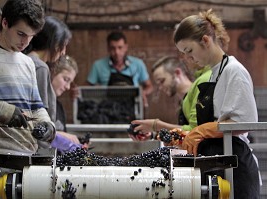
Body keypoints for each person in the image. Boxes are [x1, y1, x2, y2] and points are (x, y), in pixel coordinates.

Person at [0, 0, 55, 198]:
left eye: (31, 37)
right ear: (5, 23)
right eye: (21, 34)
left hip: (28, 162)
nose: (25, 43)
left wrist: (47, 124)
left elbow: (36, 106)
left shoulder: (27, 63)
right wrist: (0, 110)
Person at [173, 9, 260, 198]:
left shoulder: (234, 71)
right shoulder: (215, 73)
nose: (188, 58)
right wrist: (187, 134)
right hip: (217, 164)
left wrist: (201, 131)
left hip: (235, 168)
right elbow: (217, 119)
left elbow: (244, 122)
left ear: (205, 40)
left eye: (189, 51)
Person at [24, 16, 83, 151]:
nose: (63, 52)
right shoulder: (39, 67)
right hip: (35, 149)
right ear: (55, 43)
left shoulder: (26, 61)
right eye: (64, 45)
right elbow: (39, 120)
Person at [129, 56, 211, 142]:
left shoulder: (199, 90)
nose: (160, 87)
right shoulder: (183, 101)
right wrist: (154, 135)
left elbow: (195, 131)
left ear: (177, 73)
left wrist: (156, 125)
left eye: (162, 81)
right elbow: (183, 135)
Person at [87, 31, 153, 107]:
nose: (117, 52)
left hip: (133, 107)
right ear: (108, 48)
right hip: (107, 108)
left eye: (120, 47)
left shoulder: (138, 64)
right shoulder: (98, 65)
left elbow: (149, 86)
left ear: (126, 47)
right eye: (113, 48)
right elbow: (85, 88)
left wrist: (143, 93)